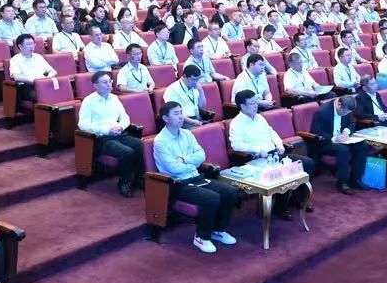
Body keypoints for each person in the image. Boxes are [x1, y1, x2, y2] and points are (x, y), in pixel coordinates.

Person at [153, 102, 239, 253]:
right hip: (177, 183)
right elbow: (173, 168)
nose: (181, 117)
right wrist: (192, 163)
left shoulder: (187, 134)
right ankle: (201, 237)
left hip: (195, 177)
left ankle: (218, 230)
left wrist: (184, 159)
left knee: (230, 191)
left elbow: (201, 156)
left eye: (181, 112)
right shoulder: (160, 141)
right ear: (165, 118)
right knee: (211, 197)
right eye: (176, 113)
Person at [228, 90, 314, 219]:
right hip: (256, 158)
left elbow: (271, 132)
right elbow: (236, 145)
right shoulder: (236, 123)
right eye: (252, 103)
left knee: (307, 164)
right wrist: (257, 150)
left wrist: (279, 143)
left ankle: (296, 199)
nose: (255, 106)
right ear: (242, 106)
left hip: (273, 154)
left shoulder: (259, 117)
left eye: (256, 102)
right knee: (283, 172)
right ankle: (280, 207)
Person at [78, 71, 143, 197]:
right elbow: (83, 124)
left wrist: (121, 126)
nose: (109, 85)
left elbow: (125, 117)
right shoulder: (89, 101)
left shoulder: (114, 98)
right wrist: (106, 130)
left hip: (119, 133)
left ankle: (138, 179)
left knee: (141, 146)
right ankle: (125, 182)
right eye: (104, 82)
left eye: (110, 81)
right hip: (102, 138)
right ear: (95, 85)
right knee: (127, 152)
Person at [309, 95, 370, 195]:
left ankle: (356, 179)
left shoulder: (346, 108)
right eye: (344, 112)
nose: (346, 114)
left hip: (342, 140)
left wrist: (346, 132)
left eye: (348, 113)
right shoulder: (322, 111)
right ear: (339, 104)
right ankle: (342, 182)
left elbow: (352, 122)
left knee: (362, 145)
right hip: (325, 142)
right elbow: (316, 131)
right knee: (343, 150)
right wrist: (334, 138)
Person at [8, 34, 58, 103]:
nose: (31, 46)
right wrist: (34, 81)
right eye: (28, 44)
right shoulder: (15, 59)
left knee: (60, 91)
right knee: (44, 95)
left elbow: (53, 71)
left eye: (32, 44)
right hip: (28, 87)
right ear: (20, 46)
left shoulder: (38, 57)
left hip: (44, 84)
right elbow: (17, 76)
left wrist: (47, 79)